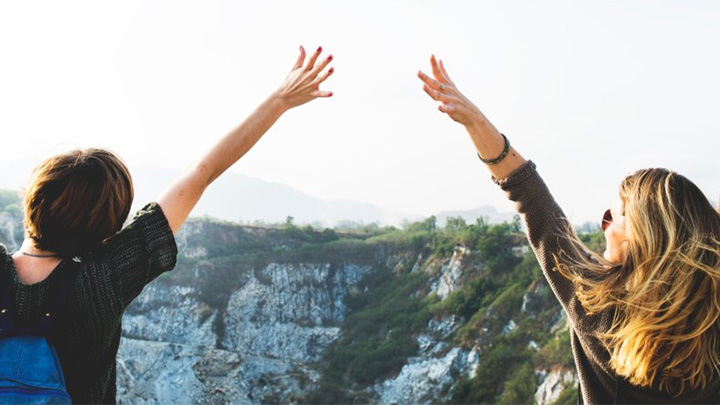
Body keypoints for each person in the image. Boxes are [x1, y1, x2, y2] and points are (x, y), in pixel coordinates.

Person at [2, 45, 334, 403]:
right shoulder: (107, 277)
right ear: (109, 226)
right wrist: (279, 100)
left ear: (32, 197)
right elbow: (201, 173)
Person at [418, 55, 720, 403]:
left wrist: (474, 122)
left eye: (615, 216)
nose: (605, 223)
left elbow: (531, 198)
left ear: (646, 236)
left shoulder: (600, 308)